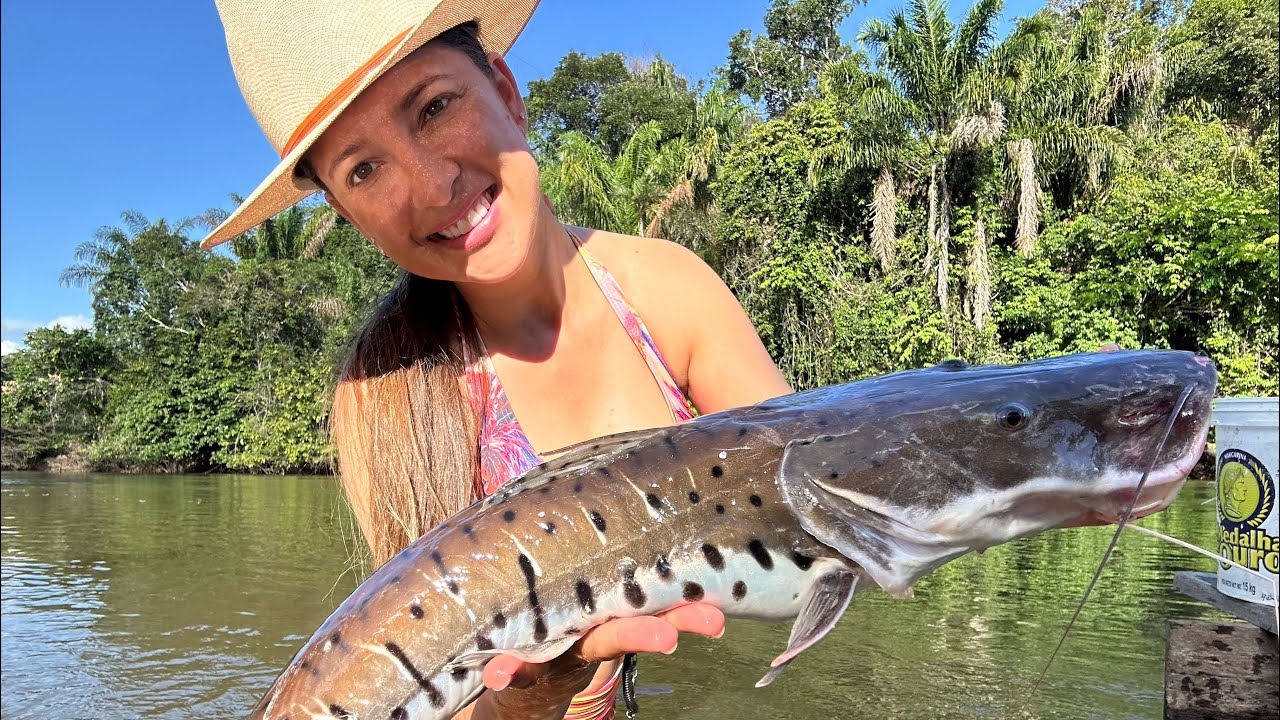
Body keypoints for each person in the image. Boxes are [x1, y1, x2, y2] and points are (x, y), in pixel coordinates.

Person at [203, 2, 793, 718]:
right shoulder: (383, 392)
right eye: (363, 170)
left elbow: (807, 495)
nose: (432, 185)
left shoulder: (667, 290)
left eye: (435, 107)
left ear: (507, 93)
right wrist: (539, 692)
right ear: (349, 216)